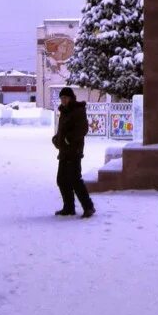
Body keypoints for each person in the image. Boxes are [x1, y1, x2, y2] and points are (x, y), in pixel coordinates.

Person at [53, 87, 95, 218]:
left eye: (65, 98)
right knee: (61, 180)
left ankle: (89, 207)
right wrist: (57, 139)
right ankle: (69, 207)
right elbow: (63, 130)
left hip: (74, 151)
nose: (63, 100)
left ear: (71, 98)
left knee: (75, 179)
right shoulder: (64, 112)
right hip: (65, 152)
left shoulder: (78, 110)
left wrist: (68, 139)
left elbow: (83, 129)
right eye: (62, 98)